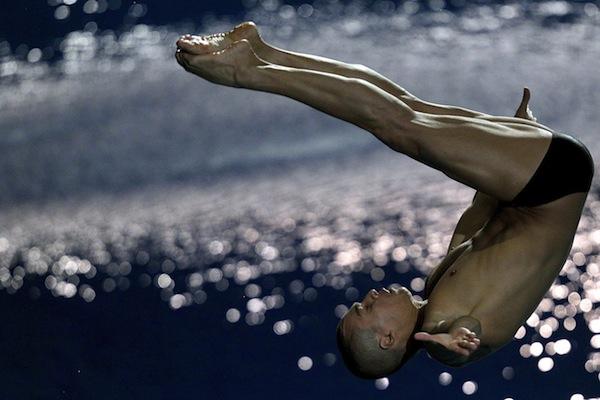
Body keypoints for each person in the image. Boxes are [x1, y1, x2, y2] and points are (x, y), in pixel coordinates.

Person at [174, 22, 595, 379]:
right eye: (365, 308)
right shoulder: (442, 326)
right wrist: (455, 340)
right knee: (399, 125)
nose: (370, 295)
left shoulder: (437, 287)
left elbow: (477, 217)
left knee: (405, 109)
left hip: (540, 173)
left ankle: (264, 50)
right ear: (388, 339)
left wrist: (513, 144)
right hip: (548, 182)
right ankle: (248, 70)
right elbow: (463, 335)